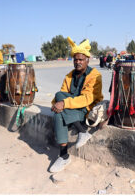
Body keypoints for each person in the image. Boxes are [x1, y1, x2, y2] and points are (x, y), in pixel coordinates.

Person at [49, 37, 103, 173]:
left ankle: (66, 151)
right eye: (75, 59)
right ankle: (68, 150)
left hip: (87, 110)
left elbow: (87, 99)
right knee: (58, 103)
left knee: (60, 103)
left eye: (81, 59)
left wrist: (63, 103)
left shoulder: (95, 75)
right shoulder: (69, 76)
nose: (78, 62)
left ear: (87, 60)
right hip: (72, 110)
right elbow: (61, 94)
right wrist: (56, 105)